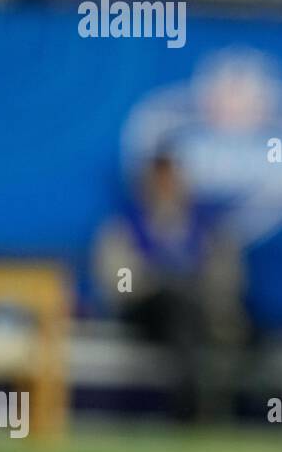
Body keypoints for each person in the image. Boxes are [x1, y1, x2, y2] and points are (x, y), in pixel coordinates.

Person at [93, 153, 249, 422]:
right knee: (177, 306)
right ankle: (193, 408)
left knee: (205, 315)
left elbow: (227, 276)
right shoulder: (126, 228)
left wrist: (204, 291)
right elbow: (119, 282)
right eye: (160, 181)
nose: (166, 188)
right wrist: (152, 282)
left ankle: (216, 404)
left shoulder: (206, 229)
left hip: (199, 310)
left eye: (171, 180)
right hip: (146, 313)